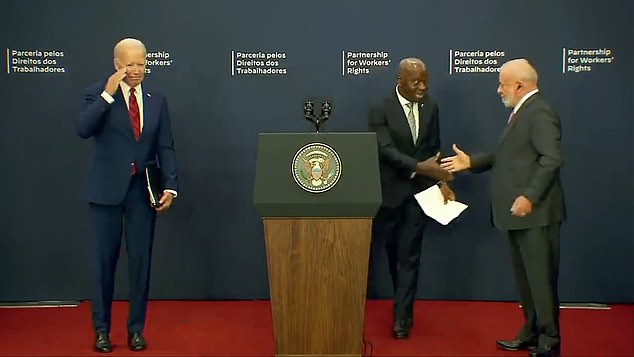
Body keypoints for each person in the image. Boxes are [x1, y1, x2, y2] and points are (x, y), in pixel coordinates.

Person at [441, 59, 565, 357]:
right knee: (526, 280)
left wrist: (529, 197)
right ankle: (531, 331)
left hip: (536, 214)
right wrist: (472, 162)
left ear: (519, 86)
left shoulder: (540, 112)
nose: (498, 90)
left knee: (541, 279)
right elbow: (508, 154)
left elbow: (552, 159)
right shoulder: (523, 112)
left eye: (502, 84)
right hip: (518, 216)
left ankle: (549, 339)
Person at [76, 38, 178, 353]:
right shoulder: (97, 94)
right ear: (117, 64)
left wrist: (170, 185)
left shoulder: (156, 100)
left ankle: (136, 329)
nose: (136, 70)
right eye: (129, 64)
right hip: (106, 192)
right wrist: (108, 92)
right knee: (104, 263)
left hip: (141, 192)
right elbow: (83, 129)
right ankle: (102, 331)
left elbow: (165, 147)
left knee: (140, 263)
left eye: (141, 63)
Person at [368, 57, 454, 339]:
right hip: (389, 195)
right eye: (416, 82)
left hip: (419, 195)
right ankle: (398, 304)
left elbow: (434, 148)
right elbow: (385, 150)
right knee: (393, 253)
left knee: (410, 256)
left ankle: (402, 317)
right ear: (399, 79)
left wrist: (441, 180)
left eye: (426, 81)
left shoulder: (432, 107)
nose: (423, 87)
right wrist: (419, 167)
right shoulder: (380, 108)